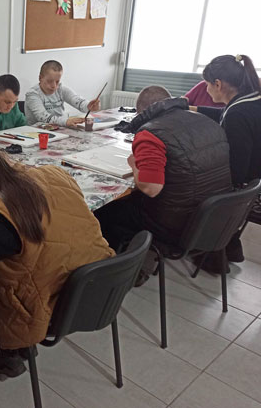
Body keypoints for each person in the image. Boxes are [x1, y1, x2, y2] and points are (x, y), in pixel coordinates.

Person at [0, 144, 113, 377]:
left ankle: (9, 352)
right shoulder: (55, 173)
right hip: (101, 283)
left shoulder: (2, 217)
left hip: (56, 305)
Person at [94, 86, 232, 280]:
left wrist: (134, 165)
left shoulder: (151, 133)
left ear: (141, 112)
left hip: (178, 226)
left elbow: (151, 188)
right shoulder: (207, 121)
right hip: (215, 217)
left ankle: (119, 273)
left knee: (106, 209)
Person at [192, 54, 261, 268]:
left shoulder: (238, 114)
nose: (206, 90)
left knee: (188, 189)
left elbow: (236, 172)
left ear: (218, 84)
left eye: (207, 85)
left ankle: (209, 249)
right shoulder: (251, 100)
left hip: (249, 191)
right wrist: (191, 108)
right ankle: (229, 246)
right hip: (255, 183)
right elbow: (225, 113)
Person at [24, 60, 101, 127]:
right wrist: (66, 121)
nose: (54, 86)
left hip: (59, 129)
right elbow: (43, 117)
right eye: (49, 81)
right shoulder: (32, 94)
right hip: (37, 132)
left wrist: (88, 106)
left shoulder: (60, 89)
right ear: (40, 78)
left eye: (57, 81)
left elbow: (77, 100)